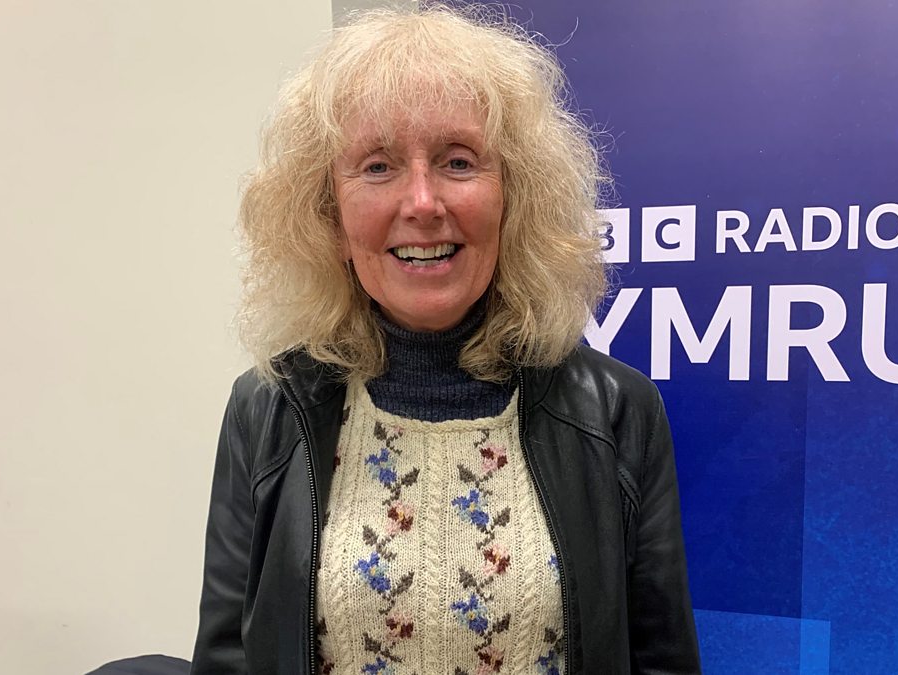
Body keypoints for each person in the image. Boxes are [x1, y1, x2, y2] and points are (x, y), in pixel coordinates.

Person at [192, 5, 700, 674]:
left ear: (514, 199)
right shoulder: (267, 408)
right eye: (378, 167)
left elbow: (661, 661)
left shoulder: (616, 411)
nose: (423, 202)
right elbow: (229, 658)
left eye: (458, 161)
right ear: (329, 215)